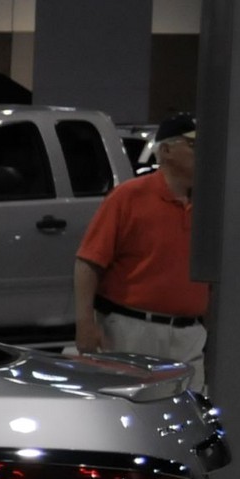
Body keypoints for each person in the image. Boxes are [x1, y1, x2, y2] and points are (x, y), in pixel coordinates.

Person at [75, 113, 208, 386]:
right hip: (131, 330)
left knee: (189, 413)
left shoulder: (209, 206)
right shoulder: (129, 197)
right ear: (167, 150)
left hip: (189, 334)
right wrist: (84, 322)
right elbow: (88, 263)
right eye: (193, 145)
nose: (203, 153)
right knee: (130, 412)